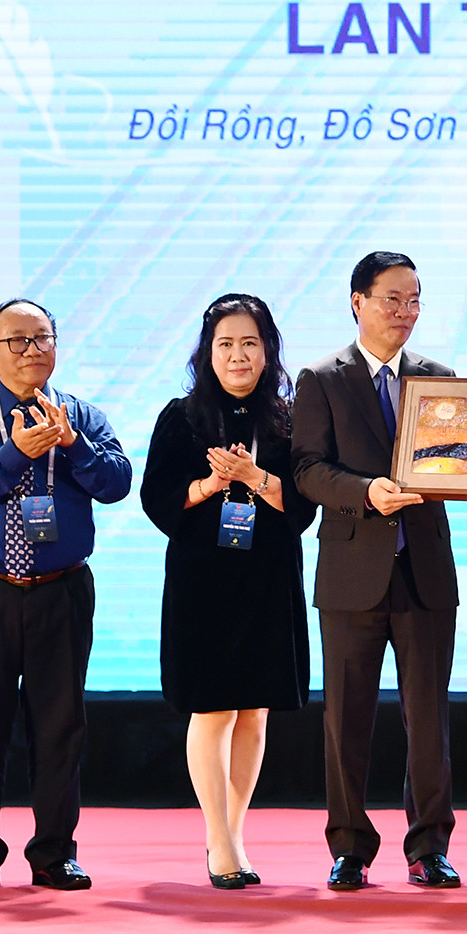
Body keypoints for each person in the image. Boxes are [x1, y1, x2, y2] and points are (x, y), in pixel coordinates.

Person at [291, 251, 467, 891]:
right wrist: (365, 492)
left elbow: (452, 472)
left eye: (414, 300)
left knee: (429, 719)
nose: (405, 312)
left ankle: (430, 847)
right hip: (351, 571)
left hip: (424, 570)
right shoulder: (320, 378)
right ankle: (349, 847)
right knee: (345, 719)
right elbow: (306, 469)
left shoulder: (440, 379)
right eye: (392, 299)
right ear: (357, 301)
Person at [0, 298, 132, 890]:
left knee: (60, 725)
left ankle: (53, 853)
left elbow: (117, 483)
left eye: (42, 338)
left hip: (61, 589)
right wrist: (16, 453)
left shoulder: (82, 416)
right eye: (16, 341)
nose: (31, 351)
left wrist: (73, 446)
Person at [141, 293, 315, 889]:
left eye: (249, 343)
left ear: (268, 352)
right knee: (213, 708)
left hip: (268, 575)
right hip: (203, 580)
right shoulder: (181, 417)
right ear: (206, 353)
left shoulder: (290, 418)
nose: (238, 355)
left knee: (255, 711)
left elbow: (305, 506)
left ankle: (233, 835)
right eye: (225, 344)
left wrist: (255, 477)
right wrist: (208, 486)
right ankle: (219, 839)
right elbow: (157, 499)